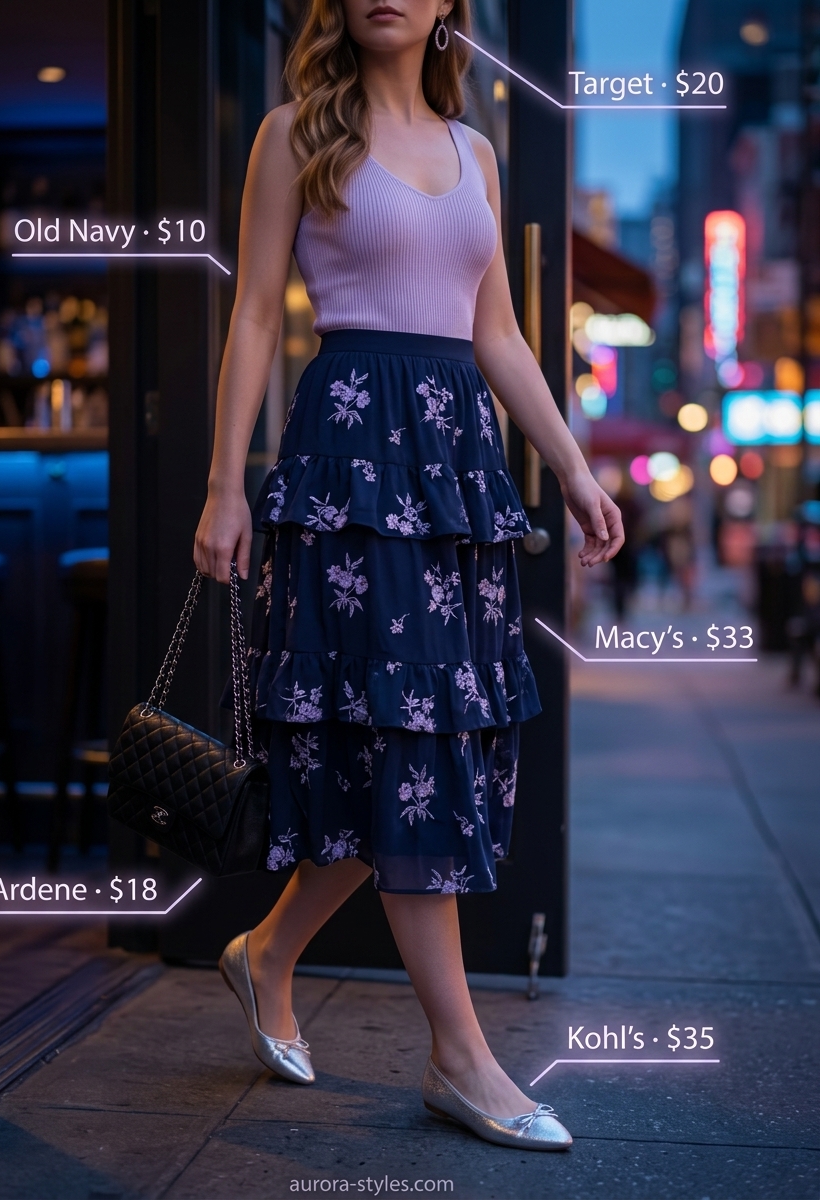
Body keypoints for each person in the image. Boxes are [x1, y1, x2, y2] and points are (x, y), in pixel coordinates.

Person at [194, 0, 623, 1151]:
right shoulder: (294, 132)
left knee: (398, 742)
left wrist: (573, 471)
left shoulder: (474, 148)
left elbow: (499, 338)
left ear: (448, 9)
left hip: (453, 474)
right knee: (404, 743)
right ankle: (460, 1056)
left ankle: (267, 950)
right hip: (347, 465)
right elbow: (249, 319)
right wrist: (224, 483)